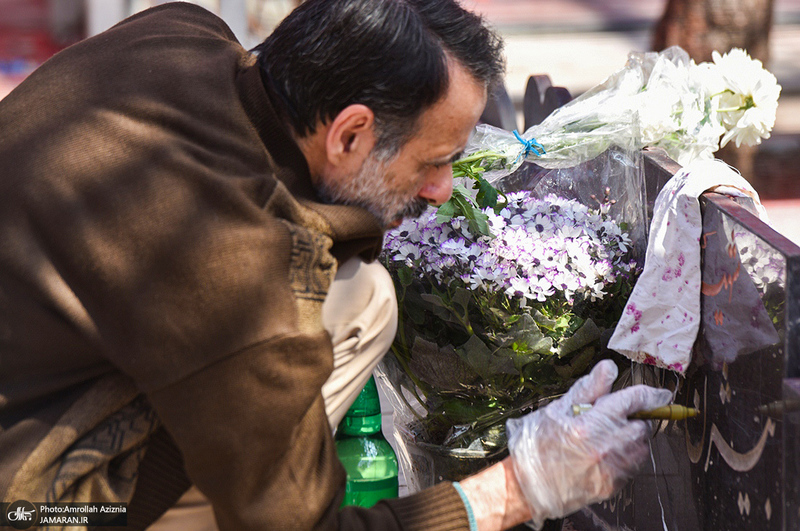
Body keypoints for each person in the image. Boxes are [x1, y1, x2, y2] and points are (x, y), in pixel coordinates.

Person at [0, 1, 672, 530]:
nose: (443, 189)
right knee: (361, 302)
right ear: (349, 133)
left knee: (358, 294)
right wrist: (522, 485)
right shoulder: (245, 279)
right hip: (40, 511)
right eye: (434, 161)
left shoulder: (179, 33)